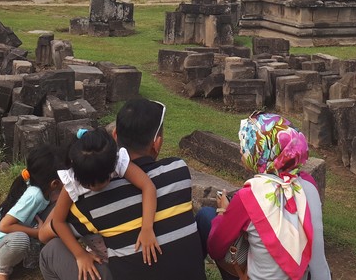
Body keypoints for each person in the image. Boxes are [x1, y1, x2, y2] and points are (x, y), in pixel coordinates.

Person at [39, 98, 206, 280]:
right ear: (156, 143)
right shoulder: (179, 169)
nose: (96, 188)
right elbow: (147, 185)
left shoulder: (91, 200)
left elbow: (46, 233)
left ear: (115, 135)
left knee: (50, 251)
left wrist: (146, 228)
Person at [205, 112, 331, 280]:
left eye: (246, 145)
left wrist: (222, 212)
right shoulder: (308, 186)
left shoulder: (249, 196)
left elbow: (216, 248)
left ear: (260, 153)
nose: (242, 150)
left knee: (205, 217)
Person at [0, 145, 64, 280]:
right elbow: (4, 226)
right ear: (54, 183)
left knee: (61, 206)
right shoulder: (34, 195)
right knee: (20, 240)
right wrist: (39, 232)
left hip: (19, 237)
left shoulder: (43, 189)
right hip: (2, 246)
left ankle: (31, 253)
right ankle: (2, 271)